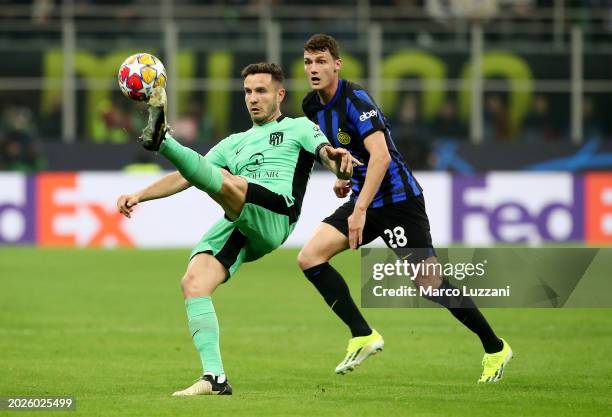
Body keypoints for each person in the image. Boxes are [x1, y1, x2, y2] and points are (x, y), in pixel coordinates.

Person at [117, 63, 358, 396]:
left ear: (280, 94)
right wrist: (140, 194)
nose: (253, 98)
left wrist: (341, 169)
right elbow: (192, 174)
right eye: (247, 91)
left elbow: (329, 156)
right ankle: (214, 378)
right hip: (242, 218)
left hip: (276, 211)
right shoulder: (234, 143)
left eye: (261, 91)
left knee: (230, 183)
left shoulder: (299, 127)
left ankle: (164, 141)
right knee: (194, 282)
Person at [297, 34, 512, 382]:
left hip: (398, 201)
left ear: (337, 64)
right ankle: (363, 335)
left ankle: (495, 347)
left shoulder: (356, 99)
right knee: (309, 257)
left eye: (321, 61)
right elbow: (343, 154)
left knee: (429, 282)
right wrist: (343, 177)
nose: (314, 68)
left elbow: (381, 156)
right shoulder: (311, 106)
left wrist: (360, 207)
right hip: (365, 198)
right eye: (308, 62)